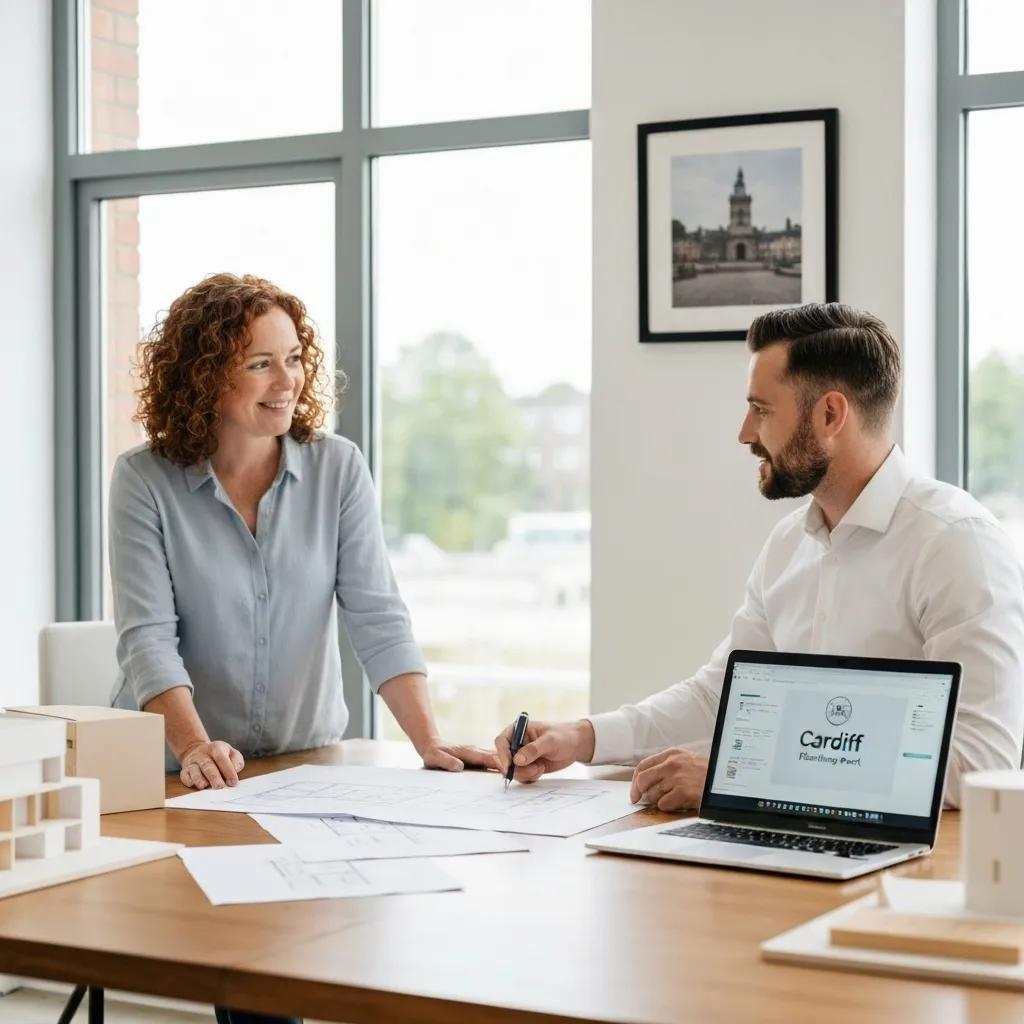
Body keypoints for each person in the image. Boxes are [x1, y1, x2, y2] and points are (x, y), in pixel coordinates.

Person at [496, 302, 1024, 810]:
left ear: (830, 414)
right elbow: (720, 696)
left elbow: (981, 762)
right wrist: (580, 737)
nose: (745, 434)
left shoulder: (957, 544)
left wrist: (739, 777)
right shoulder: (790, 545)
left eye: (761, 410)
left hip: (908, 872)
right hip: (788, 850)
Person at [110, 272, 498, 790]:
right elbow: (148, 639)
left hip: (305, 767)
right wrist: (196, 748)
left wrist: (429, 741)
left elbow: (376, 616)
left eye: (293, 358)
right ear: (204, 377)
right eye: (260, 364)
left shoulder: (338, 468)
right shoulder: (144, 479)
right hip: (172, 769)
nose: (287, 380)